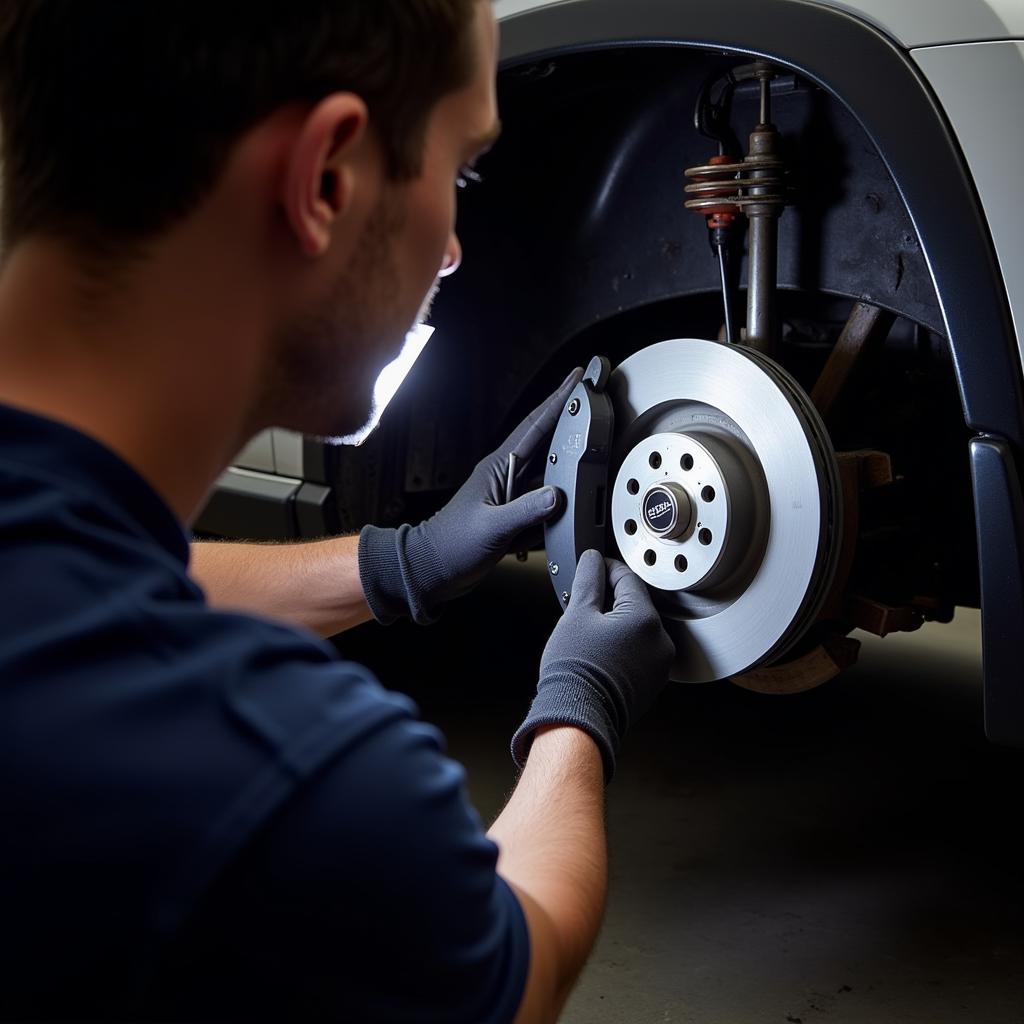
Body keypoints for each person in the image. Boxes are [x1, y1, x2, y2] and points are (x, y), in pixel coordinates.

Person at [0, 1, 675, 1020]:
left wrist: (393, 563)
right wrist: (576, 707)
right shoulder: (290, 779)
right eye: (460, 172)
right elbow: (516, 969)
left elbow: (99, 578)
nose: (451, 248)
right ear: (324, 182)